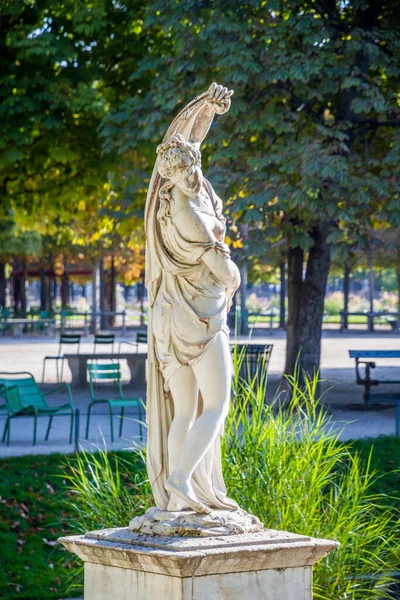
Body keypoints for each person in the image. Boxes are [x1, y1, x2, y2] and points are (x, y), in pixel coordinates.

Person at [145, 83, 240, 514]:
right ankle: (182, 478)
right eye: (185, 170)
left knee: (185, 409)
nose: (193, 175)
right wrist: (234, 280)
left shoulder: (166, 202)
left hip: (169, 319)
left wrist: (205, 107)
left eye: (192, 166)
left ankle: (173, 496)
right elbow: (225, 272)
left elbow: (185, 139)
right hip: (198, 319)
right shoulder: (193, 218)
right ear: (174, 172)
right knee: (218, 403)